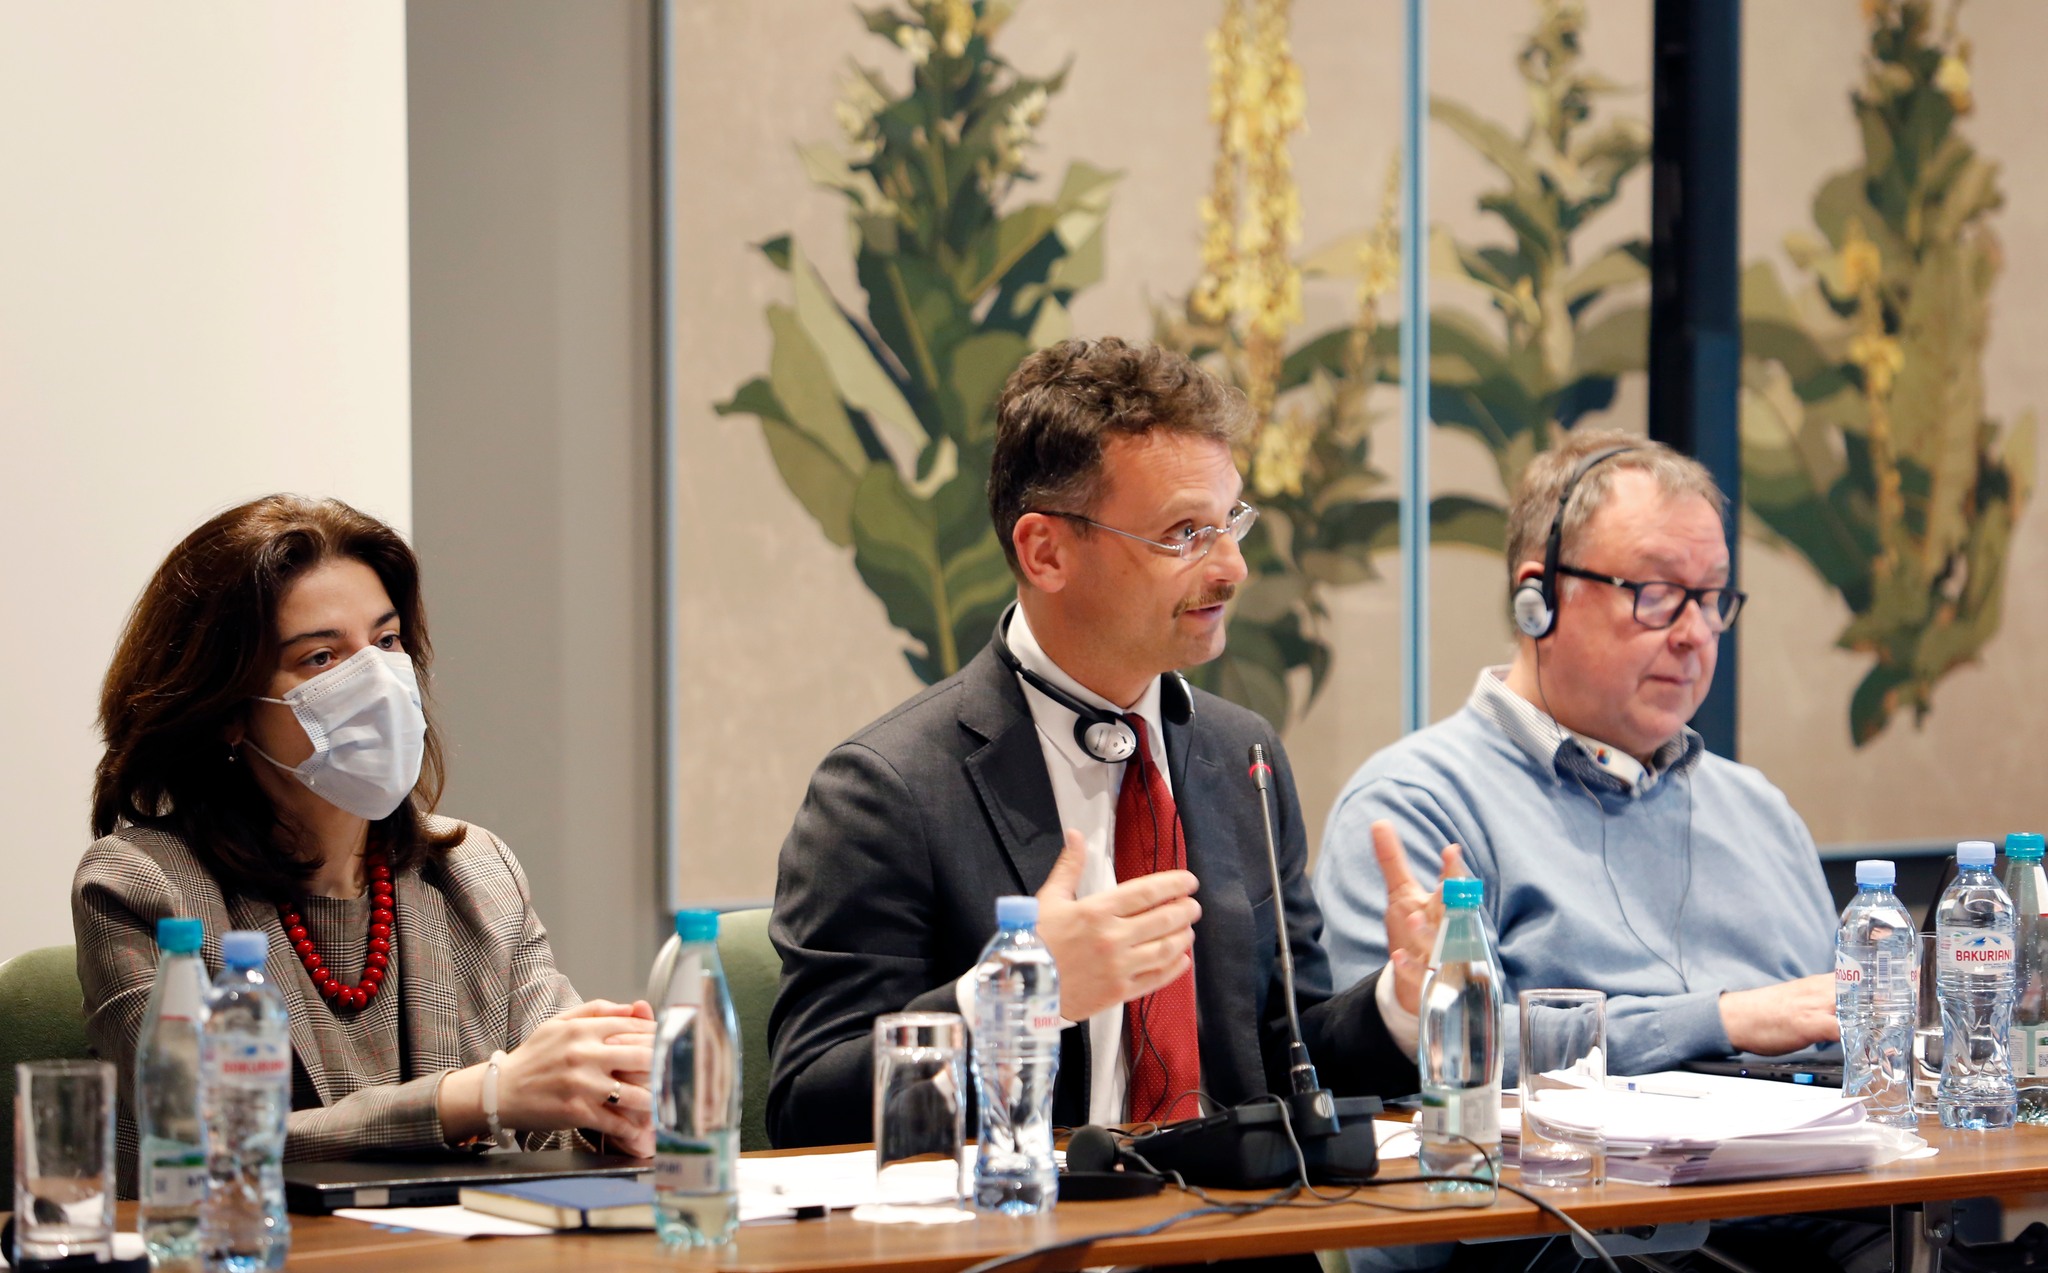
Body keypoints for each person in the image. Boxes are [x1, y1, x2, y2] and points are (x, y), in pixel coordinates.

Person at [768, 336, 1414, 1149]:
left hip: (1235, 1217)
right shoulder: (887, 789)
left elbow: (1288, 1059)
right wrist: (1014, 999)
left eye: (1230, 523)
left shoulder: (1243, 756)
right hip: (1028, 1217)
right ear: (1046, 552)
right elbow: (807, 1106)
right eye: (1185, 533)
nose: (1232, 567)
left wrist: (1401, 1004)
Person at [74, 495, 655, 1195]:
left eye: (386, 642)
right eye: (321, 656)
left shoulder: (475, 871)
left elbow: (549, 1115)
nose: (376, 680)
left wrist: (611, 1102)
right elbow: (204, 1138)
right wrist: (477, 1096)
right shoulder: (141, 887)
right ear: (227, 710)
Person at [1315, 429, 1839, 1079]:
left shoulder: (1760, 811)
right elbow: (1433, 1047)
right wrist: (1720, 1020)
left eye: (1710, 598)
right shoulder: (1418, 804)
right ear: (1539, 600)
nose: (1696, 633)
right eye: (1657, 593)